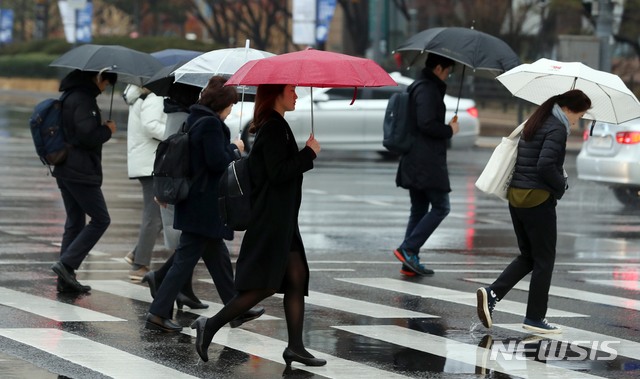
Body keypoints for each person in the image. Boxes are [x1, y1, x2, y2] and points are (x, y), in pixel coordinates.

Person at [190, 84, 326, 367]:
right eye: (292, 90)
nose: (297, 96)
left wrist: (302, 155)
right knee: (264, 285)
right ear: (276, 93)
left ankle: (296, 347)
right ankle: (211, 325)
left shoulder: (276, 124)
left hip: (283, 218)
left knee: (297, 278)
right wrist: (309, 154)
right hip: (272, 219)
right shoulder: (273, 128)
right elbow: (278, 173)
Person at [145, 76, 264, 332]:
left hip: (199, 202)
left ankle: (236, 309)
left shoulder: (195, 118)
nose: (232, 109)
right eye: (231, 104)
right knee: (184, 262)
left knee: (218, 259)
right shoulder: (210, 125)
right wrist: (234, 148)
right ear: (222, 103)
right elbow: (216, 162)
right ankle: (156, 313)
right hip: (204, 203)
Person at [476, 89, 591, 334]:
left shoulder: (536, 119)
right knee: (545, 260)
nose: (577, 121)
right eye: (579, 116)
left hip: (517, 197)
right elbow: (545, 166)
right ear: (570, 109)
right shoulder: (557, 128)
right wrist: (562, 185)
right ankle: (535, 318)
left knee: (529, 256)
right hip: (537, 199)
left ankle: (492, 293)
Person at [50, 68, 118, 293]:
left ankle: (65, 280)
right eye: (105, 84)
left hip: (66, 167)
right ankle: (67, 264)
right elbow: (87, 136)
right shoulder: (83, 99)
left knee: (75, 221)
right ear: (98, 77)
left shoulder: (70, 95)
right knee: (101, 219)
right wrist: (107, 130)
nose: (104, 88)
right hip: (79, 170)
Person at [142, 82, 208, 309]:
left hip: (174, 184)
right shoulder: (183, 116)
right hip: (179, 187)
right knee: (189, 243)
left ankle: (180, 288)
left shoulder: (176, 111)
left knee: (189, 243)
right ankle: (162, 281)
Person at [393, 53, 459, 276]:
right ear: (439, 67)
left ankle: (409, 260)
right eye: (448, 70)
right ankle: (408, 249)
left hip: (416, 158)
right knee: (442, 207)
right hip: (426, 161)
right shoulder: (428, 89)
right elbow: (426, 123)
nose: (448, 75)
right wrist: (449, 130)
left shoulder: (419, 86)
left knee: (419, 209)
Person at [123, 84, 166, 281]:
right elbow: (151, 126)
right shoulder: (154, 98)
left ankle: (137, 253)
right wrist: (174, 133)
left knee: (161, 214)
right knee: (155, 215)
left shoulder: (140, 98)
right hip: (151, 163)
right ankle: (140, 265)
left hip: (146, 161)